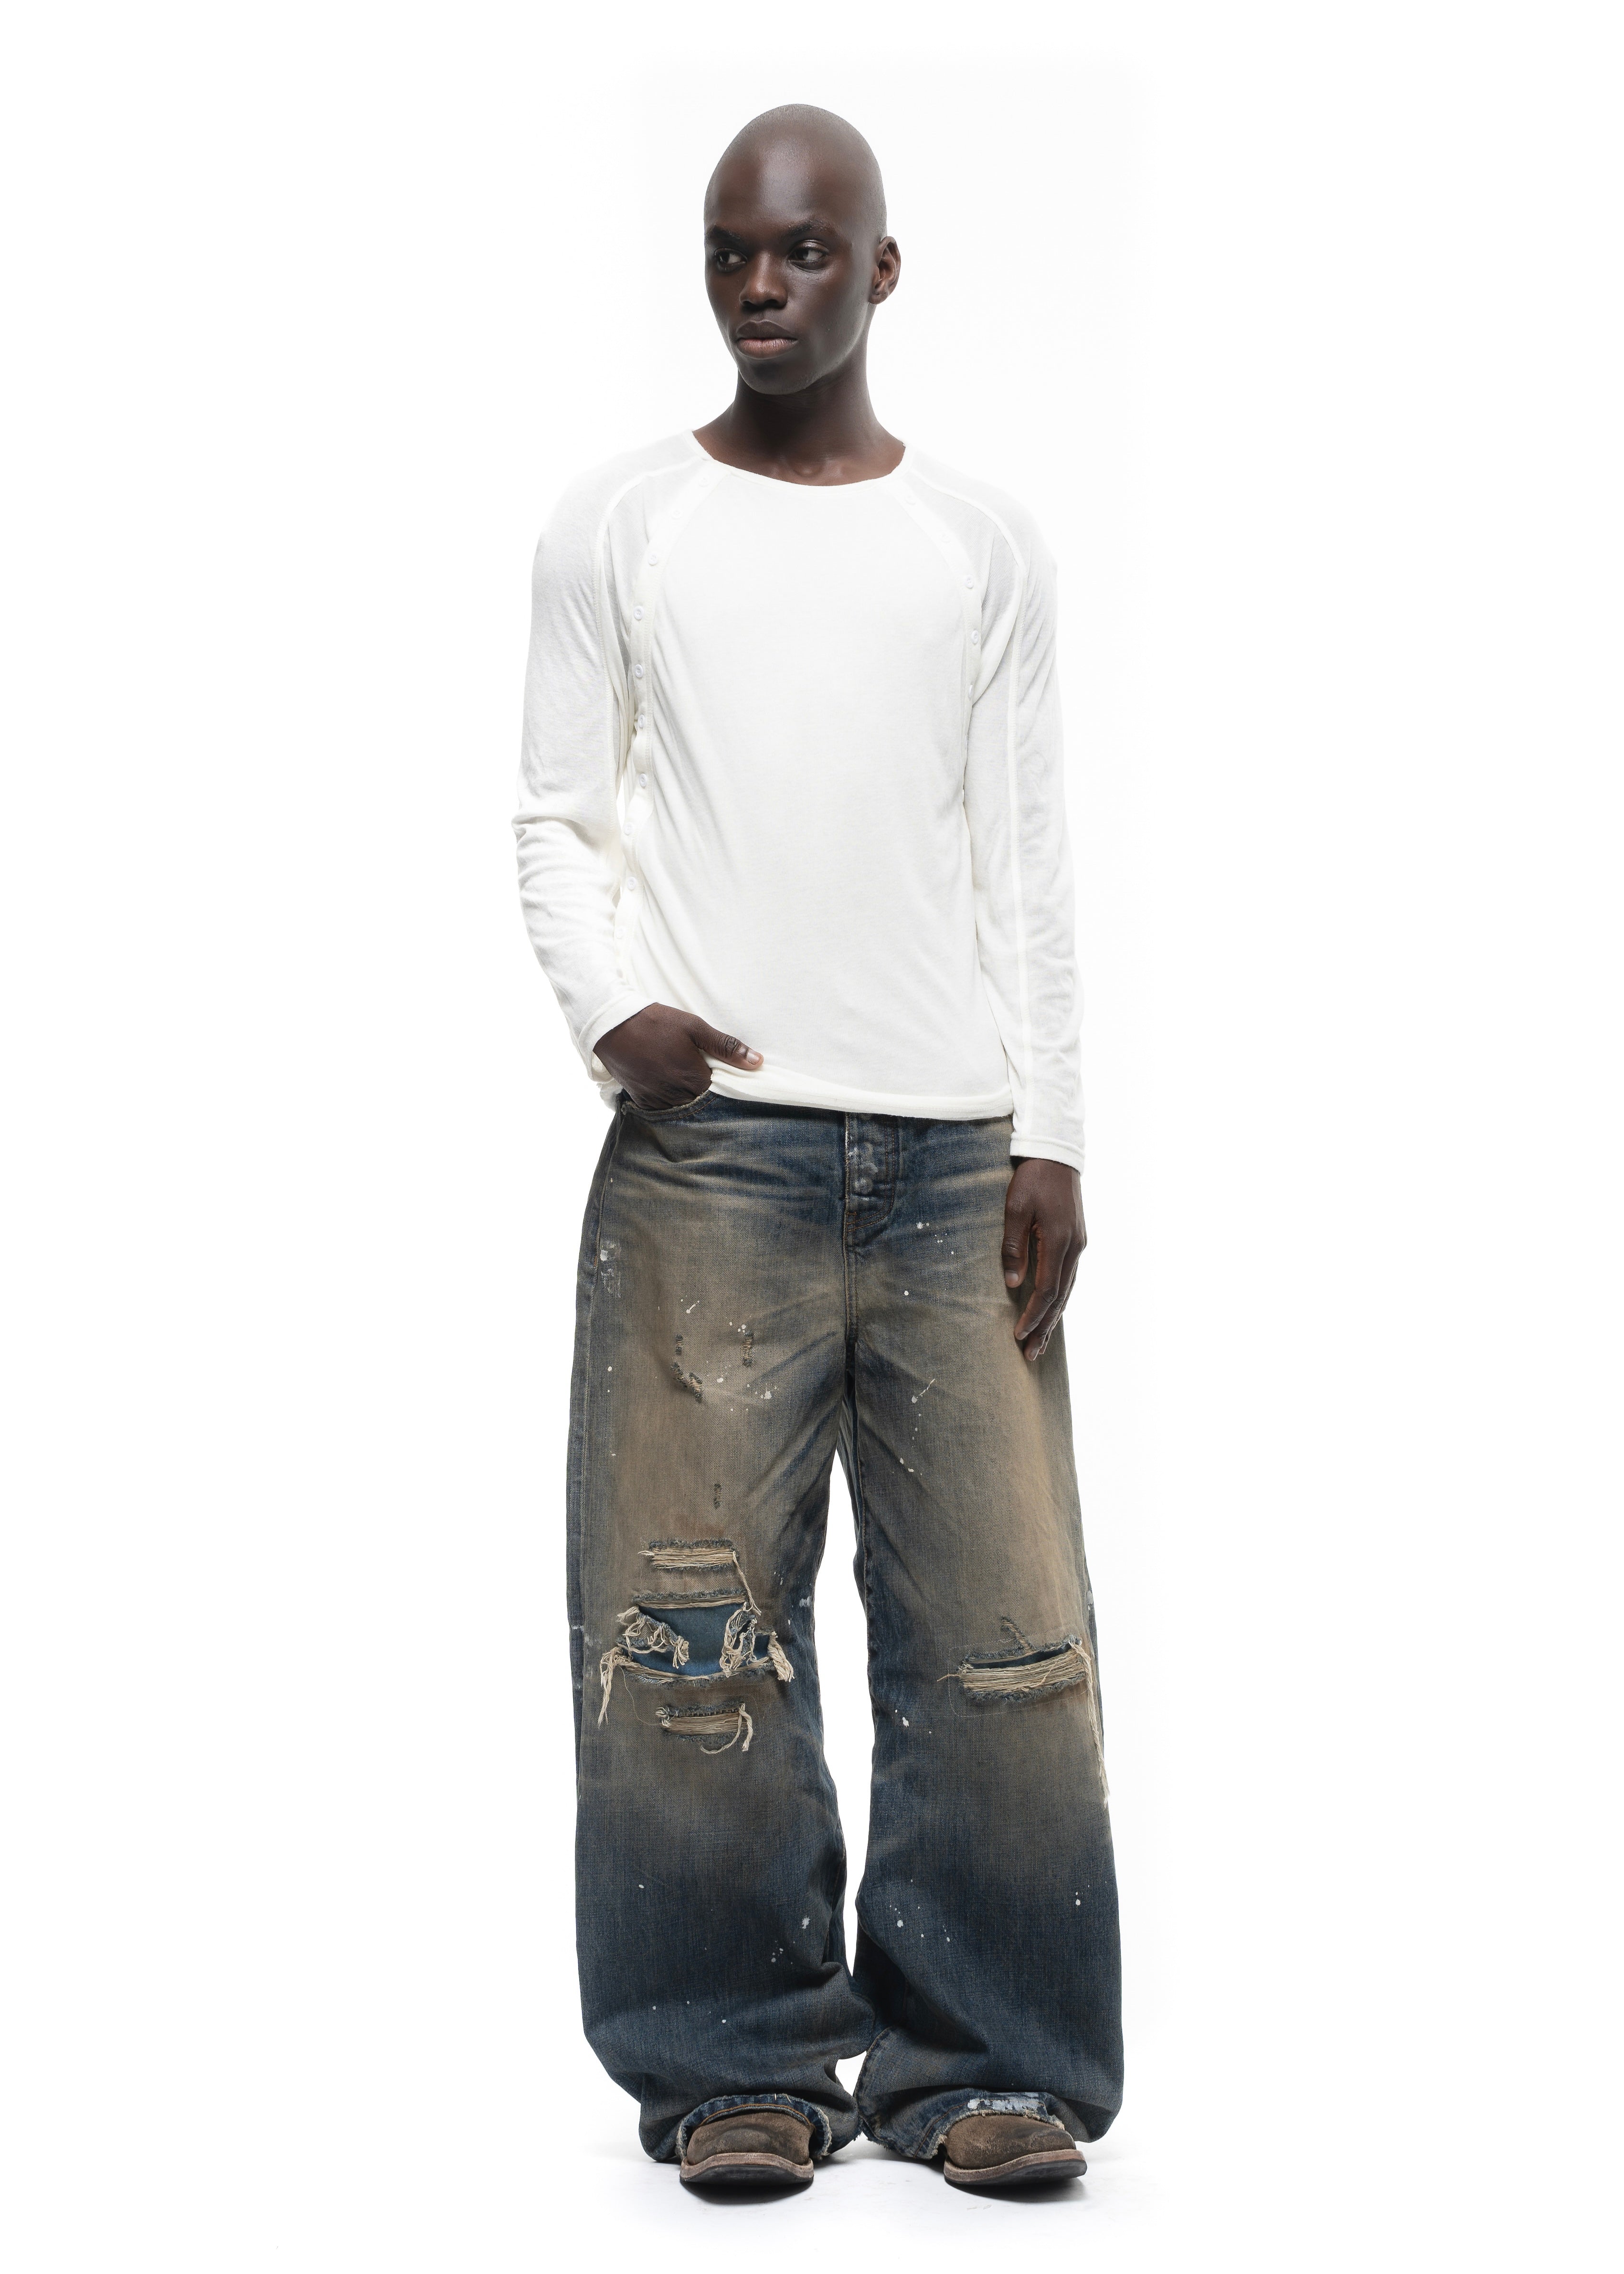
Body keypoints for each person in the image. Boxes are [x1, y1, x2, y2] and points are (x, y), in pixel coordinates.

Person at [513, 103, 1121, 2192]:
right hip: (708, 1169)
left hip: (956, 1162)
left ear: (880, 269)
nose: (759, 288)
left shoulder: (978, 544)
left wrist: (1052, 1133)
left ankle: (988, 2064)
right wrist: (613, 1012)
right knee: (684, 1628)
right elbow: (553, 815)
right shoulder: (619, 524)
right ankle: (731, 2062)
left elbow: (1025, 860)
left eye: (799, 252)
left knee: (1001, 1636)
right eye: (727, 252)